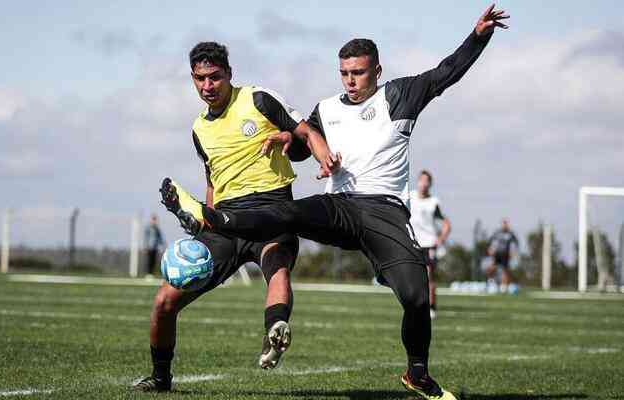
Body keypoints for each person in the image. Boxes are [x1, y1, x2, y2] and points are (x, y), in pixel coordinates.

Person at [160, 5, 508, 399]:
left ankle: (417, 373)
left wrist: (479, 36)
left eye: (358, 72)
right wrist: (288, 142)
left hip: (384, 212)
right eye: (344, 73)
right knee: (288, 214)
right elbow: (301, 151)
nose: (350, 80)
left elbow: (447, 72)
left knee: (415, 296)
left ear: (377, 71)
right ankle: (214, 218)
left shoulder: (401, 94)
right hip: (340, 206)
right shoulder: (326, 109)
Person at [134, 42, 335, 392]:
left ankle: (275, 327)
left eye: (214, 77)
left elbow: (306, 132)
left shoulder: (259, 99)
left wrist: (323, 159)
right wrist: (205, 223)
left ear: (229, 74)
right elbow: (214, 180)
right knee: (164, 301)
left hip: (272, 210)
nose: (207, 86)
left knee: (277, 265)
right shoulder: (199, 129)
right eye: (199, 79)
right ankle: (160, 376)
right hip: (225, 223)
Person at [410, 170, 451, 319]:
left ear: (430, 184)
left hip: (429, 243)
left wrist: (440, 239)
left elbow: (446, 223)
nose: (423, 183)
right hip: (413, 242)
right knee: (413, 277)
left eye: (427, 181)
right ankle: (416, 305)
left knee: (428, 276)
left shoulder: (433, 202)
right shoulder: (410, 197)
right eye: (421, 180)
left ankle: (432, 307)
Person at [486, 218, 519, 292]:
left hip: (505, 254)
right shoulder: (497, 233)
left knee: (505, 271)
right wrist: (490, 249)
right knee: (491, 268)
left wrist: (513, 252)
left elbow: (516, 243)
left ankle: (504, 288)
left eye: (506, 224)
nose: (505, 225)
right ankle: (490, 282)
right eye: (504, 224)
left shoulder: (510, 234)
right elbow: (490, 241)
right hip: (497, 254)